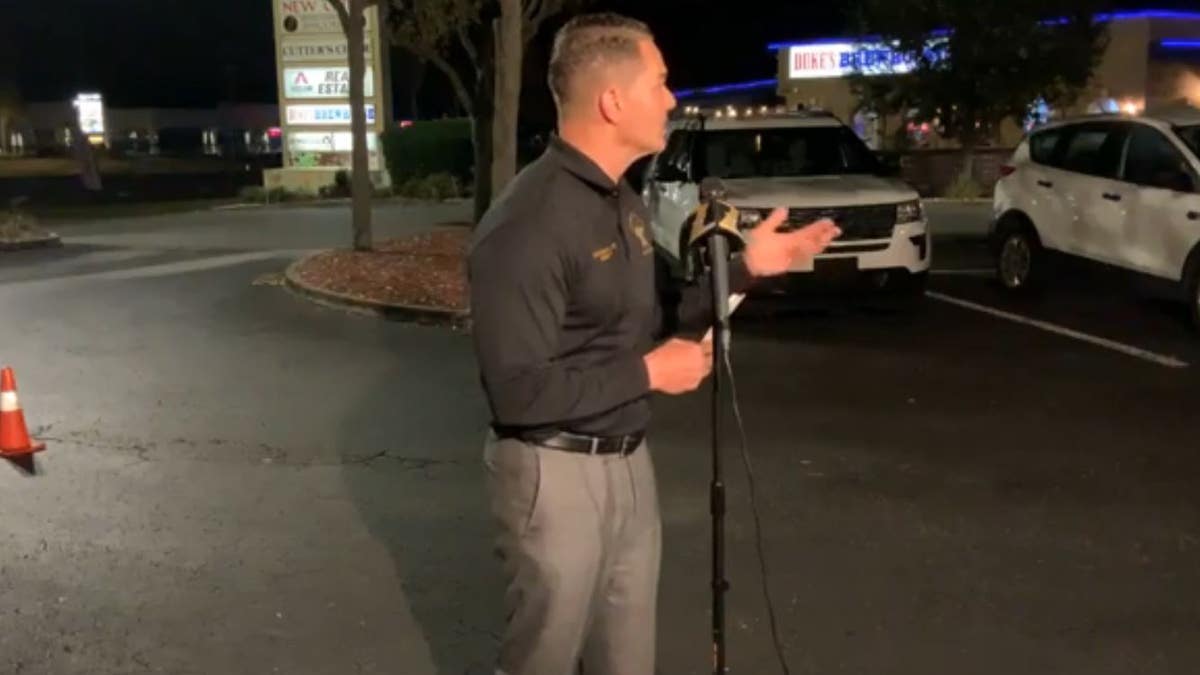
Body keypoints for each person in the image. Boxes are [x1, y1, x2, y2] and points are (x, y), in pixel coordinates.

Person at [466, 12, 840, 675]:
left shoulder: (623, 201)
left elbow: (664, 312)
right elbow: (518, 390)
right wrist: (646, 373)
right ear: (612, 101)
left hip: (629, 464)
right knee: (543, 659)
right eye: (661, 82)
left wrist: (751, 266)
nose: (673, 99)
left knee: (628, 661)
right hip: (553, 472)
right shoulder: (526, 223)